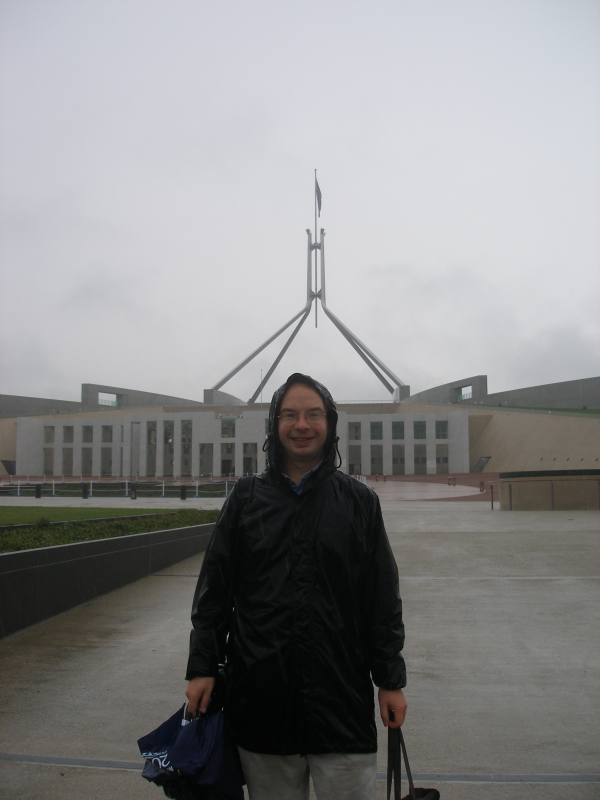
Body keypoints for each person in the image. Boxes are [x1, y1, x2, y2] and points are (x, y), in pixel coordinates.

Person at [185, 373, 407, 800]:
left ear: (330, 423)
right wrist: (202, 668)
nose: (301, 425)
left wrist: (390, 681)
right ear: (275, 424)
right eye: (289, 415)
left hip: (341, 702)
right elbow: (214, 592)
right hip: (262, 701)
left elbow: (381, 599)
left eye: (313, 415)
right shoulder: (246, 499)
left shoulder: (359, 502)